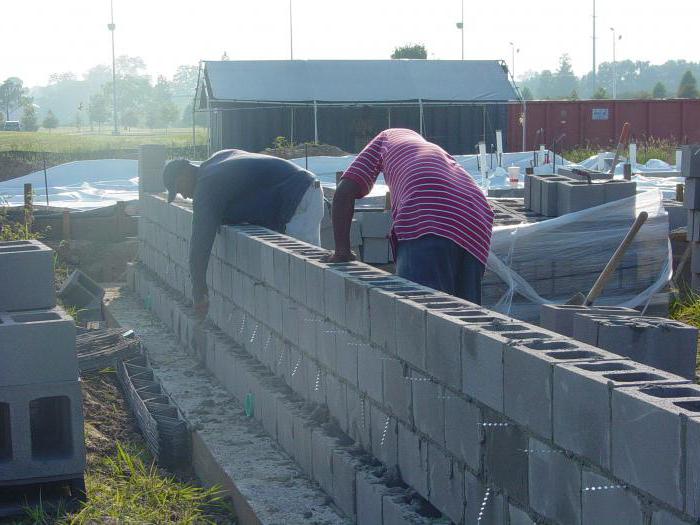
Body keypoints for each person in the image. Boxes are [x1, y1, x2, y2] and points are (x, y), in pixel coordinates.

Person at [326, 128, 494, 304]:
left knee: (421, 315)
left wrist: (342, 252)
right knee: (464, 319)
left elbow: (344, 192)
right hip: (477, 216)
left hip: (429, 213)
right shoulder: (432, 151)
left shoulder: (384, 139)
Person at [163, 149, 324, 317]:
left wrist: (198, 292)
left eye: (179, 189)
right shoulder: (215, 163)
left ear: (184, 174)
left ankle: (314, 318)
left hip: (300, 193)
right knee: (298, 275)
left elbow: (200, 241)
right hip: (300, 190)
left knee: (303, 272)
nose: (184, 196)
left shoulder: (207, 184)